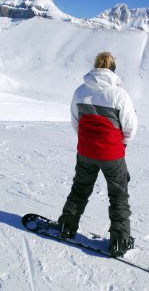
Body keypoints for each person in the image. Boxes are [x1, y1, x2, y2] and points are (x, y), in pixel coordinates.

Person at [58, 52, 138, 257]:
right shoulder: (118, 94)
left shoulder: (80, 91)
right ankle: (119, 242)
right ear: (113, 70)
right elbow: (130, 126)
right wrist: (122, 144)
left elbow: (75, 121)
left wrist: (88, 142)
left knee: (80, 189)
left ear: (95, 67)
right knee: (118, 195)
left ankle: (66, 226)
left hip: (85, 151)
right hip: (111, 153)